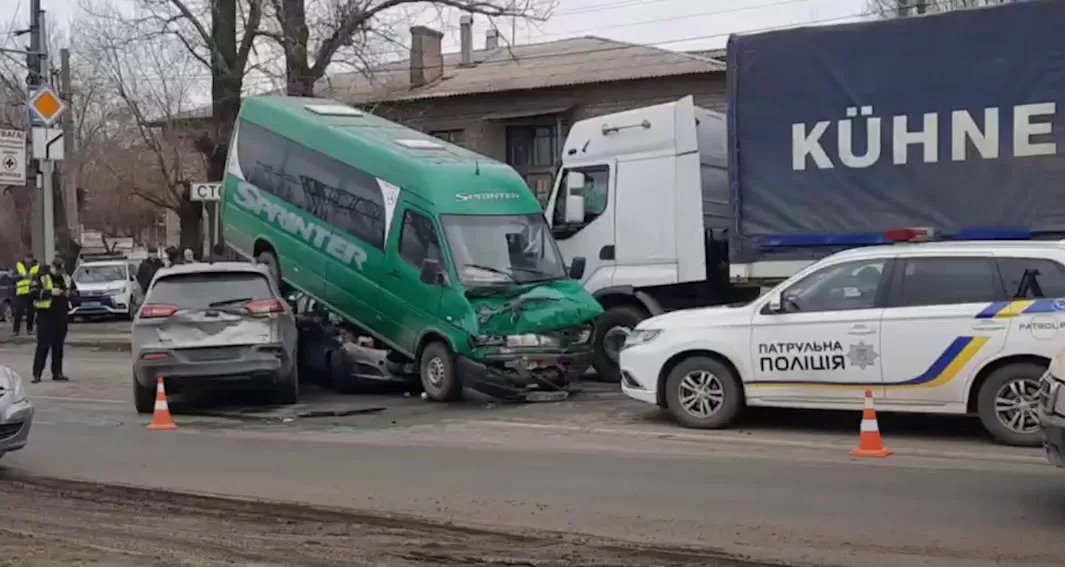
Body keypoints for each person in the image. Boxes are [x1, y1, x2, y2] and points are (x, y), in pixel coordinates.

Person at [31, 257, 77, 383]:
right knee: (43, 346)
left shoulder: (66, 278)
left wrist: (70, 295)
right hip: (45, 316)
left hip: (61, 316)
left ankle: (57, 372)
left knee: (58, 346)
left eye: (61, 270)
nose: (59, 272)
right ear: (52, 267)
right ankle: (37, 373)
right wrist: (50, 292)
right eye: (57, 269)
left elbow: (75, 293)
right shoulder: (41, 277)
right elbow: (33, 294)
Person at [12, 252, 40, 336]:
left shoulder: (36, 266)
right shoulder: (19, 265)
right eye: (27, 258)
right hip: (21, 291)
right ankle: (16, 330)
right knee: (18, 312)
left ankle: (29, 329)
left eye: (30, 258)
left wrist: (33, 278)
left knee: (30, 312)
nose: (28, 260)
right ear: (24, 258)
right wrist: (21, 277)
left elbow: (38, 276)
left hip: (31, 290)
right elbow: (13, 277)